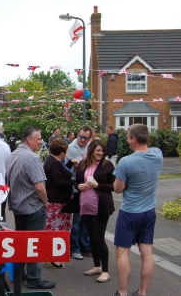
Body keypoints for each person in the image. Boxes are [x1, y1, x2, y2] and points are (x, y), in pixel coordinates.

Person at [112, 124, 163, 296]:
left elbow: (118, 189)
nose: (127, 139)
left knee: (122, 252)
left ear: (133, 139)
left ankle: (123, 292)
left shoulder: (126, 161)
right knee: (147, 252)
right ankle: (142, 292)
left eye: (127, 136)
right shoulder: (157, 154)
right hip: (149, 211)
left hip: (130, 212)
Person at [6, 126, 55, 290]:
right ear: (29, 139)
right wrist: (46, 202)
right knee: (35, 244)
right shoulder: (31, 158)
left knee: (21, 243)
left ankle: (20, 274)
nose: (40, 142)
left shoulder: (13, 155)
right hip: (32, 206)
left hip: (18, 206)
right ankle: (34, 279)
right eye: (38, 139)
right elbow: (39, 187)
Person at [74, 140, 115, 283]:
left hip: (100, 207)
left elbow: (115, 186)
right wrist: (78, 186)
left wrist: (98, 185)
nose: (100, 153)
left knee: (98, 238)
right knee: (90, 237)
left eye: (102, 151)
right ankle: (96, 266)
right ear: (91, 150)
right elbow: (76, 181)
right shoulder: (83, 164)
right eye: (98, 150)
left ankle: (105, 271)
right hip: (85, 206)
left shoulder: (107, 165)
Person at [43, 138, 73, 269]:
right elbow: (59, 181)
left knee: (53, 228)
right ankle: (53, 258)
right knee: (57, 230)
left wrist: (70, 164)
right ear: (62, 152)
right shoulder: (55, 163)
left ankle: (51, 256)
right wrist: (74, 182)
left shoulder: (50, 161)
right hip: (58, 201)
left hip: (54, 200)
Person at [66, 124, 93, 260]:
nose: (83, 140)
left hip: (87, 188)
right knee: (76, 221)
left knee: (85, 219)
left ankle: (85, 247)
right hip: (75, 188)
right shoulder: (72, 148)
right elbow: (83, 165)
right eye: (81, 137)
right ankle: (74, 248)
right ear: (77, 135)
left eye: (86, 138)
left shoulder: (89, 147)